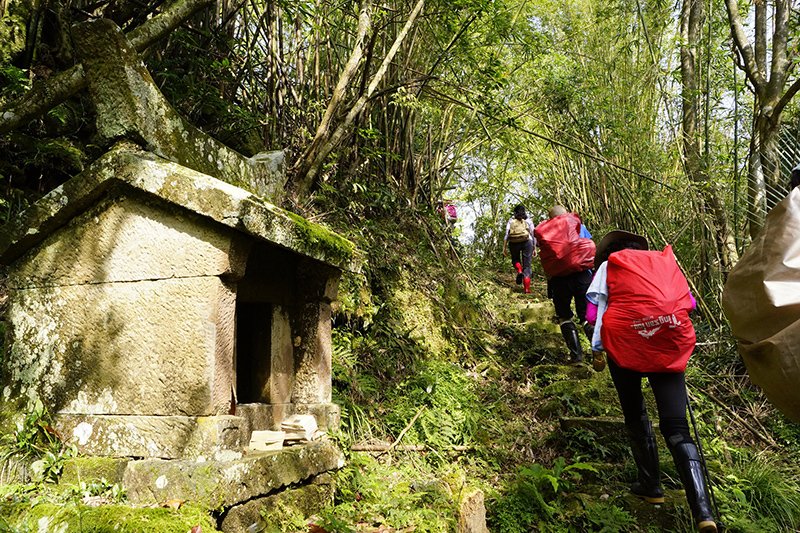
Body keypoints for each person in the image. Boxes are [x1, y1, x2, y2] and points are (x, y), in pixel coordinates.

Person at [587, 230, 717, 533]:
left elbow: (595, 310)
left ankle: (651, 485)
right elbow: (691, 304)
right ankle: (703, 510)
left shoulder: (609, 266)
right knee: (677, 427)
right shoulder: (663, 263)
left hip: (625, 343)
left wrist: (596, 349)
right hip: (668, 340)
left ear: (611, 251)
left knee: (635, 412)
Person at [534, 205, 595, 365]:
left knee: (565, 316)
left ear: (550, 219)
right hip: (582, 275)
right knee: (586, 316)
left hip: (560, 280)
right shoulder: (579, 226)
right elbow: (589, 244)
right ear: (567, 215)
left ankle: (576, 357)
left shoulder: (547, 231)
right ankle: (597, 349)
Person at [502, 205, 537, 294]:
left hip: (514, 241)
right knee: (527, 265)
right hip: (527, 241)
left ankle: (519, 271)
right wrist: (534, 248)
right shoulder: (528, 220)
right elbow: (533, 235)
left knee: (515, 259)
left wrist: (504, 247)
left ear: (515, 212)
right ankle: (526, 289)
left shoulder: (511, 220)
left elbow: (507, 234)